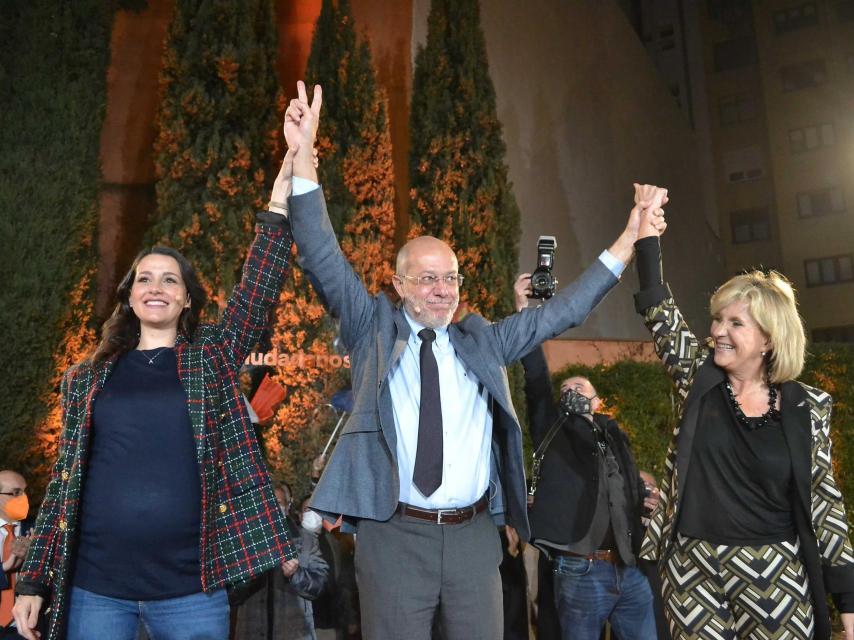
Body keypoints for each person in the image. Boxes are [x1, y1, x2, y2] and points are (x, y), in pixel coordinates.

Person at [284, 80, 667, 639]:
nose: (443, 290)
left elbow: (562, 312)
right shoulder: (373, 327)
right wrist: (303, 155)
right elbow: (320, 252)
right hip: (394, 536)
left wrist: (627, 242)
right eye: (429, 278)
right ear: (398, 284)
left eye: (452, 278)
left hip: (471, 540)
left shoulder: (481, 339)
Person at [11, 89, 316, 640]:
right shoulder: (87, 379)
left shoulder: (211, 360)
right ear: (129, 297)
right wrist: (33, 583)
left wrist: (284, 185)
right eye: (144, 279)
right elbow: (63, 486)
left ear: (186, 301)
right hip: (95, 590)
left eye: (169, 279)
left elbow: (259, 288)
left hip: (192, 591)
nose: (156, 287)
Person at [633, 184, 854, 640]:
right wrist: (646, 231)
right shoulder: (698, 379)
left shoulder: (805, 406)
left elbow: (826, 508)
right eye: (717, 319)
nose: (717, 331)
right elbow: (658, 306)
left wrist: (849, 605)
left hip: (776, 572)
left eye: (735, 323)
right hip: (692, 570)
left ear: (770, 338)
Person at [515, 274, 660, 640]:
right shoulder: (552, 427)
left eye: (580, 387)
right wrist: (524, 312)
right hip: (581, 573)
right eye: (566, 388)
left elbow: (624, 487)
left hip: (630, 570)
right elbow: (535, 376)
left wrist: (644, 498)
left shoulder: (614, 436)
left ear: (597, 403)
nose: (572, 391)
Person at [233, 485, 329, 640]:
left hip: (294, 632)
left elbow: (319, 585)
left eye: (277, 502)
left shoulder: (305, 540)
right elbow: (232, 595)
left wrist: (296, 575)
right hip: (251, 631)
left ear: (287, 506)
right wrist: (251, 575)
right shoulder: (245, 542)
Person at [1, 471, 32, 640]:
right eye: (15, 493)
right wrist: (5, 567)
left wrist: (34, 558)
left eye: (25, 491)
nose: (24, 498)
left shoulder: (39, 532)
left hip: (25, 630)